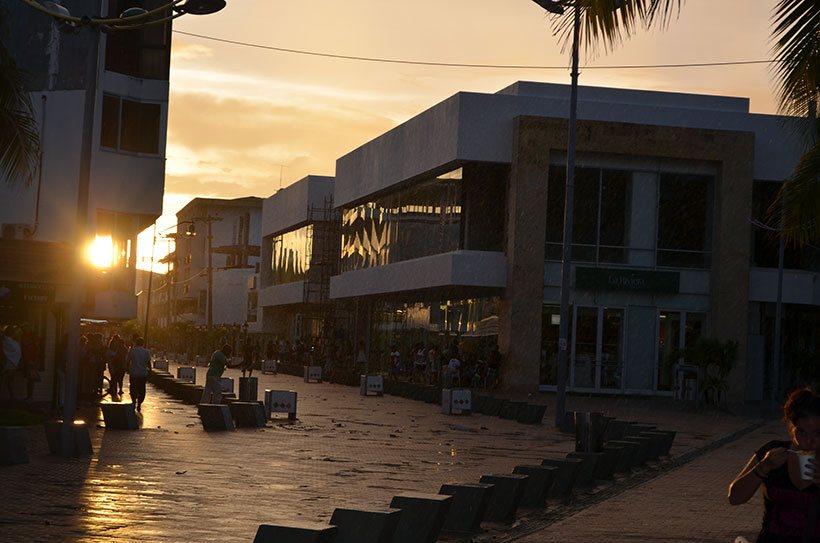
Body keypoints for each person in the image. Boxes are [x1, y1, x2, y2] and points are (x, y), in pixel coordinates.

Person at [728, 386, 820, 542]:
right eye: (802, 432)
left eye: (817, 433)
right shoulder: (773, 452)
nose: (809, 441)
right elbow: (735, 497)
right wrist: (763, 467)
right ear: (791, 428)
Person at [126, 337, 151, 412]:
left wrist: (127, 369)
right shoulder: (146, 352)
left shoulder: (132, 351)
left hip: (134, 372)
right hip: (143, 373)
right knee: (142, 389)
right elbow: (148, 362)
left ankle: (133, 401)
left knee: (133, 388)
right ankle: (139, 404)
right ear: (143, 343)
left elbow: (127, 361)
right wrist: (150, 370)